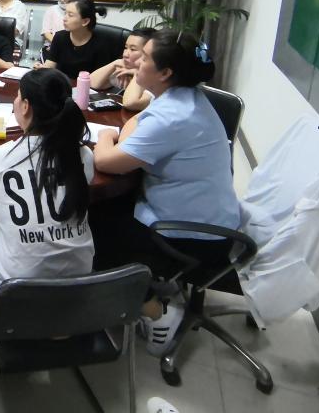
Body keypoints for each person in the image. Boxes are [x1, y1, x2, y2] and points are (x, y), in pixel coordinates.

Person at [92, 30, 240, 357]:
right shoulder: (184, 97)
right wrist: (122, 137)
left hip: (192, 234)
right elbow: (135, 123)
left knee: (89, 230)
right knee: (109, 207)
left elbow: (106, 161)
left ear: (166, 72)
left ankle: (157, 312)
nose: (135, 62)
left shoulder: (173, 117)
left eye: (144, 57)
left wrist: (104, 136)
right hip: (206, 214)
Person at [0, 67, 95, 310]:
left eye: (17, 96)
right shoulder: (83, 155)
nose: (15, 102)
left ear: (26, 106)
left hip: (16, 304)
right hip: (79, 296)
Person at [38, 0, 113, 78]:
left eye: (70, 15)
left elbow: (101, 77)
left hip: (89, 85)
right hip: (62, 84)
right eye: (65, 13)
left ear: (85, 21)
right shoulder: (59, 37)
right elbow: (50, 64)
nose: (64, 19)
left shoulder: (101, 43)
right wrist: (41, 69)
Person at [89, 27, 156, 111]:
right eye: (126, 47)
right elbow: (91, 83)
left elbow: (131, 103)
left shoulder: (156, 80)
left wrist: (138, 72)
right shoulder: (125, 70)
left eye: (133, 49)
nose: (125, 54)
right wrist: (116, 63)